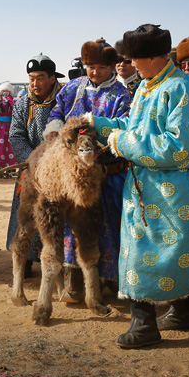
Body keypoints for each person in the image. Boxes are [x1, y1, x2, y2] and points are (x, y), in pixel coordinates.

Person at [90, 24, 189, 348]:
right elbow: (135, 127)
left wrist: (121, 142)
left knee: (147, 255)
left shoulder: (184, 89)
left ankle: (144, 324)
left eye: (134, 58)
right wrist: (100, 126)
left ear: (152, 57)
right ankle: (184, 313)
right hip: (150, 186)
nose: (130, 64)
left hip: (174, 190)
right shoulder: (150, 85)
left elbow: (176, 146)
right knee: (176, 254)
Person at [46, 38, 132, 302]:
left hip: (108, 175)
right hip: (73, 176)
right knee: (73, 227)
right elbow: (56, 113)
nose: (94, 71)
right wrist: (55, 135)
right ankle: (73, 283)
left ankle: (108, 282)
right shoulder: (72, 88)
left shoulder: (122, 94)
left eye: (100, 67)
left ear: (112, 66)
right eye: (90, 66)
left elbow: (126, 125)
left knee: (108, 227)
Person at [5, 54, 64, 276]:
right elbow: (16, 135)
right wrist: (33, 161)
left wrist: (52, 163)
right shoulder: (22, 103)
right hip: (30, 168)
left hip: (58, 169)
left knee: (53, 217)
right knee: (24, 216)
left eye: (40, 78)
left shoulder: (64, 101)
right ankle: (25, 259)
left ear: (52, 78)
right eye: (31, 78)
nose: (35, 83)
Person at [0, 82, 18, 175]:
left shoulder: (13, 100)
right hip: (0, 126)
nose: (5, 93)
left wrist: (9, 99)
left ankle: (11, 167)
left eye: (7, 91)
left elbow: (15, 108)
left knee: (10, 146)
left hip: (10, 125)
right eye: (3, 91)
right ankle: (0, 167)